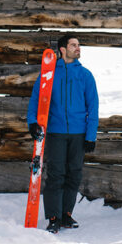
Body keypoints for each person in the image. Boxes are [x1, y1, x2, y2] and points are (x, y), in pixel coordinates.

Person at [27, 34, 99, 233]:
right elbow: (35, 100)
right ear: (62, 49)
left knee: (74, 174)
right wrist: (32, 122)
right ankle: (53, 217)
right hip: (56, 133)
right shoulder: (48, 74)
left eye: (79, 44)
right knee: (56, 175)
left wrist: (90, 135)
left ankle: (66, 214)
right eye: (73, 45)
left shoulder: (85, 75)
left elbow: (93, 107)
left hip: (79, 134)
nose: (78, 48)